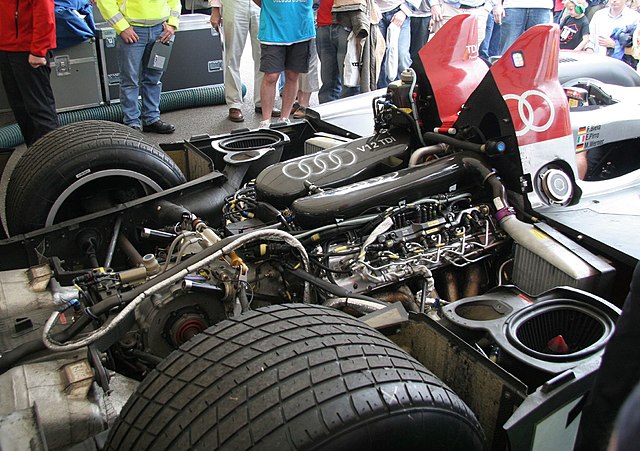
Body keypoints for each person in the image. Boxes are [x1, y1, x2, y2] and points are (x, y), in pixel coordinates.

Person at [97, 0, 180, 134]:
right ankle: (132, 123)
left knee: (153, 78)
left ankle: (151, 119)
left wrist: (172, 24)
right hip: (133, 31)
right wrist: (122, 27)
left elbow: (174, 1)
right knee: (129, 80)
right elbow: (105, 2)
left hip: (161, 31)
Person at [0, 0, 59, 147]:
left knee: (39, 110)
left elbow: (45, 14)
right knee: (21, 109)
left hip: (28, 52)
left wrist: (38, 50)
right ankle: (34, 159)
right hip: (6, 49)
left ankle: (51, 157)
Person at [210, 1, 280, 123]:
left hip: (262, 5)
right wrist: (215, 9)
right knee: (232, 56)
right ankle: (234, 104)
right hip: (234, 4)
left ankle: (263, 102)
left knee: (263, 55)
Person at [253, 0, 315, 128]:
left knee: (292, 75)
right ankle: (265, 121)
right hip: (272, 27)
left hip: (301, 28)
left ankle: (284, 118)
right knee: (271, 76)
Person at [316, 0, 360, 103]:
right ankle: (327, 116)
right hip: (324, 23)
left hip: (347, 22)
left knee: (350, 80)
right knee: (328, 81)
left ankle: (350, 116)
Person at [376, 0, 414, 89]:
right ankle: (383, 93)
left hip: (399, 10)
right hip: (376, 12)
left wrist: (404, 11)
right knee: (378, 57)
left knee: (402, 55)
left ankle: (408, 91)